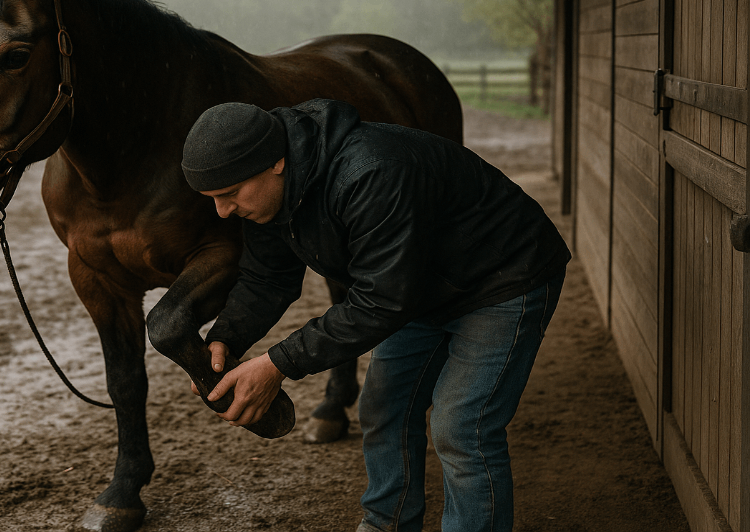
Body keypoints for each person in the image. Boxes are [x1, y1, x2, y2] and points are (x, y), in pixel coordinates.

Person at [180, 99, 570, 532]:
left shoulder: (371, 172)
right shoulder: (272, 196)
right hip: (418, 286)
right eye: (212, 199)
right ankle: (389, 523)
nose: (223, 211)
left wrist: (277, 364)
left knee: (461, 427)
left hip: (503, 275)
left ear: (275, 162)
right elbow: (269, 278)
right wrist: (227, 339)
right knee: (383, 408)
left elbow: (381, 301)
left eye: (229, 195)